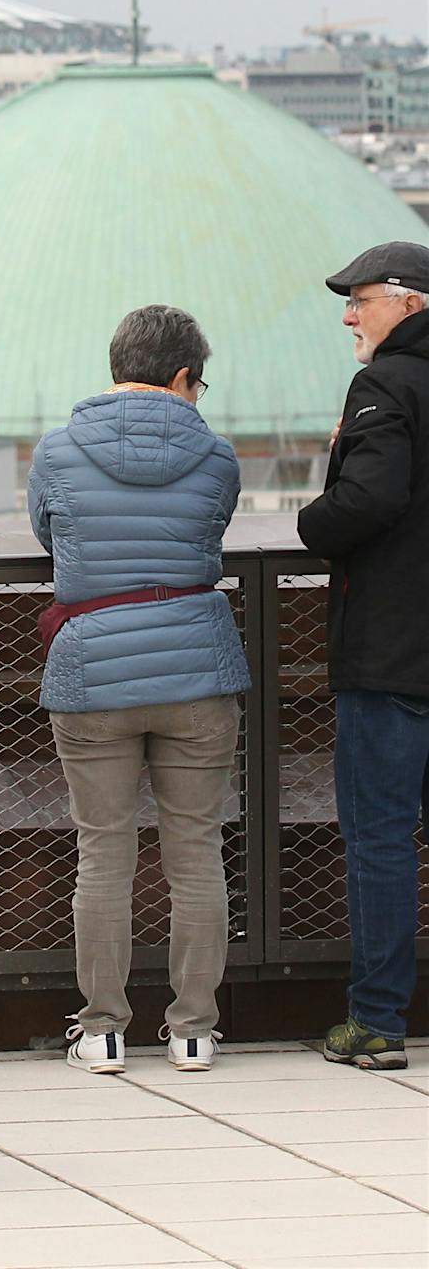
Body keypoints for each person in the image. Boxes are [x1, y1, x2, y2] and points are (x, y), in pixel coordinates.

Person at [28, 305, 247, 1075]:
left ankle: (103, 1028)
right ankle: (192, 1029)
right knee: (196, 852)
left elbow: (51, 539)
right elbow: (209, 538)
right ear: (184, 376)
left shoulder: (58, 452)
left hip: (94, 673)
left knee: (104, 854)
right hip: (196, 669)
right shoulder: (217, 456)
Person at [296, 241, 429, 1071]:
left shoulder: (386, 383)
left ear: (409, 305)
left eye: (362, 299)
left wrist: (315, 516)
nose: (349, 315)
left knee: (381, 837)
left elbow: (368, 500)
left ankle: (377, 1021)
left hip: (393, 657)